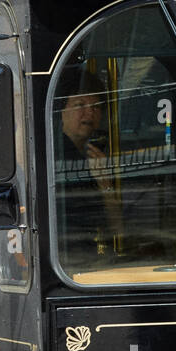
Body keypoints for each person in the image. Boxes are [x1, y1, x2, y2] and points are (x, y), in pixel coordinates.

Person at [55, 70, 120, 270]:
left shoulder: (90, 155)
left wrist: (105, 182)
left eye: (96, 106)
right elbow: (113, 226)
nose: (89, 113)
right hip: (72, 263)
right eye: (80, 105)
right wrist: (105, 184)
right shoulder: (58, 157)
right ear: (61, 111)